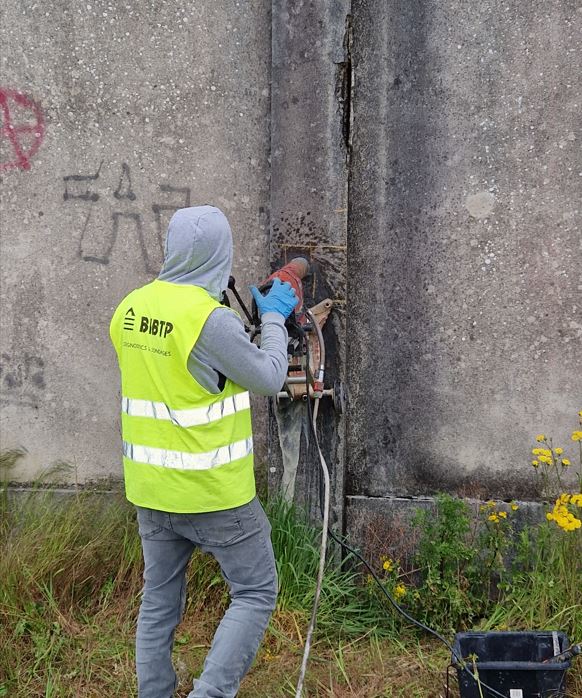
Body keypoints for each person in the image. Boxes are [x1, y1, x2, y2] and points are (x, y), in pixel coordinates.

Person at [109, 205, 297, 698]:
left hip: (152, 491)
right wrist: (274, 317)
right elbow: (269, 376)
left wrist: (235, 329)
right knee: (256, 592)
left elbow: (185, 371)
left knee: (158, 602)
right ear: (221, 254)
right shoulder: (209, 321)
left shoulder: (130, 308)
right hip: (215, 495)